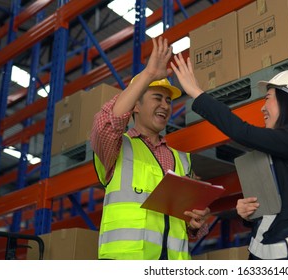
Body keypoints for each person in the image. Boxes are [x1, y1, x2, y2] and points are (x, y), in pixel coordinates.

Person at [171, 53, 288, 260]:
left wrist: (196, 92)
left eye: (268, 98)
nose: (262, 107)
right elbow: (287, 206)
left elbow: (241, 132)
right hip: (273, 254)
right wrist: (248, 214)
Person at [90, 37, 210, 260]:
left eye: (168, 100)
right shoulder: (116, 148)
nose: (165, 105)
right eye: (157, 98)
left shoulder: (182, 159)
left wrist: (196, 222)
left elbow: (192, 224)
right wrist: (148, 76)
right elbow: (105, 123)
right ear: (136, 104)